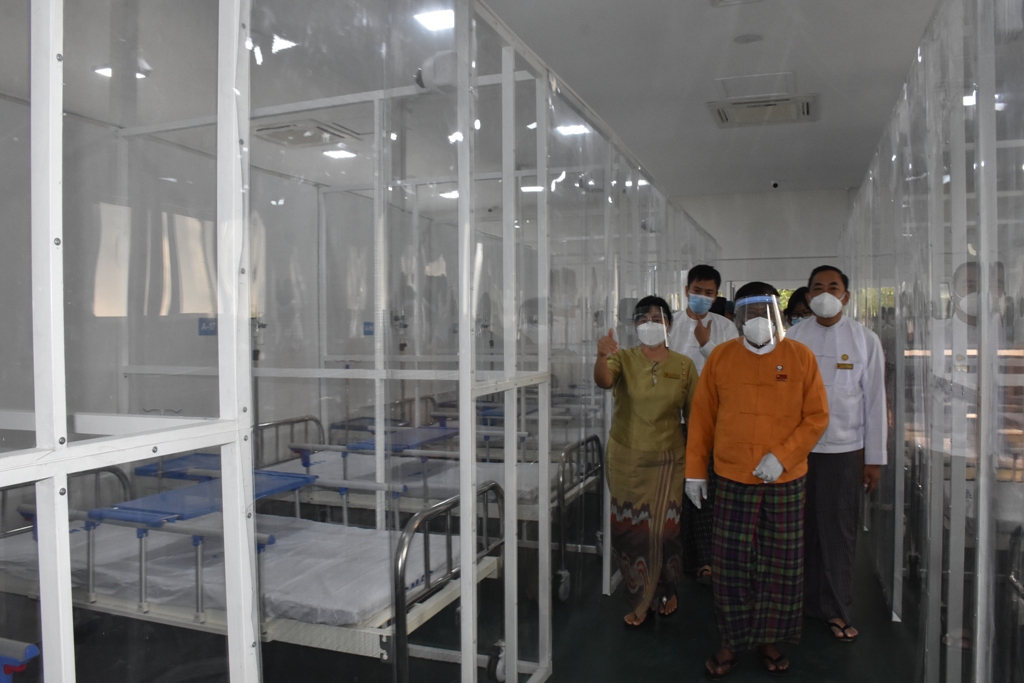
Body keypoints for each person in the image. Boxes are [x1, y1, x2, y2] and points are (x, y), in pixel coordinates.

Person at [685, 282, 829, 677]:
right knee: (731, 563)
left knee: (780, 563)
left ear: (777, 314)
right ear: (737, 317)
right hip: (733, 477)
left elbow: (817, 416)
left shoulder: (800, 356)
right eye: (748, 313)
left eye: (765, 312)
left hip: (785, 481)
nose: (757, 320)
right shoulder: (721, 357)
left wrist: (782, 457)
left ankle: (769, 638)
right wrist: (695, 471)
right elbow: (702, 418)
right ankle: (731, 640)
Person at [786, 265, 886, 643]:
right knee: (798, 530)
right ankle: (799, 604)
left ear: (846, 295)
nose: (825, 293)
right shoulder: (793, 338)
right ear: (808, 295)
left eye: (833, 286)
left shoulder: (865, 340)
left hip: (845, 450)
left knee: (839, 532)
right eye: (817, 287)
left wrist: (873, 459)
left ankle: (836, 609)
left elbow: (875, 403)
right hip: (798, 450)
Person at [594, 296, 699, 627]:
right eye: (643, 318)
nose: (650, 323)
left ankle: (668, 590)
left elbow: (695, 417)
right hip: (627, 459)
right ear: (634, 325)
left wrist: (698, 467)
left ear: (670, 324)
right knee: (632, 531)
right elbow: (603, 380)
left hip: (669, 459)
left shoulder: (684, 366)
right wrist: (601, 356)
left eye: (658, 318)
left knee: (665, 531)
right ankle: (640, 598)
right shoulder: (622, 358)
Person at [667, 264, 738, 585]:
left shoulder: (726, 328)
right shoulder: (671, 326)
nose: (702, 297)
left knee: (707, 490)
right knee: (678, 490)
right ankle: (682, 558)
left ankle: (708, 560)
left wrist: (707, 344)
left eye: (709, 293)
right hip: (675, 421)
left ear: (716, 295)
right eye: (697, 291)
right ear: (686, 290)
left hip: (712, 423)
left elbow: (733, 374)